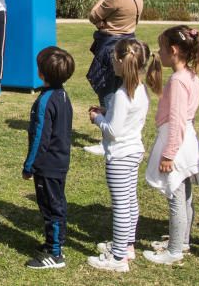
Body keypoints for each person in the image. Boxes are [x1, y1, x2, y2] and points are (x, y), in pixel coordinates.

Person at [143, 25, 199, 265]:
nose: (158, 53)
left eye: (161, 49)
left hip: (177, 144)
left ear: (173, 51)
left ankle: (174, 250)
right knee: (186, 197)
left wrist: (169, 154)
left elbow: (178, 120)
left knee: (176, 196)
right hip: (186, 139)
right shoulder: (191, 76)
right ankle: (182, 240)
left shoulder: (179, 80)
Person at [85, 39, 152, 272]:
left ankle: (118, 258)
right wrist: (108, 111)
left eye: (114, 57)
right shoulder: (140, 90)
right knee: (130, 202)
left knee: (121, 207)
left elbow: (113, 131)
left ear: (123, 61)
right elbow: (124, 119)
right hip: (134, 152)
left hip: (120, 156)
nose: (111, 61)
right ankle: (127, 246)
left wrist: (98, 119)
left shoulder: (123, 94)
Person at [84, 0, 145, 156]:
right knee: (121, 89)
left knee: (107, 91)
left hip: (110, 46)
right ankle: (117, 134)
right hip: (128, 43)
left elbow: (93, 15)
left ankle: (108, 141)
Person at [21, 46, 75, 269]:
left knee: (51, 207)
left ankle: (55, 253)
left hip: (47, 165)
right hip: (60, 162)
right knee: (56, 203)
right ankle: (53, 242)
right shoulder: (63, 95)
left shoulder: (45, 101)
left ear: (41, 73)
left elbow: (40, 137)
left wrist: (30, 165)